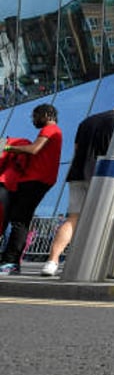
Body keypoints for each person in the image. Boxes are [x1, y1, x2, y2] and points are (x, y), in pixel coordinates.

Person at [41, 103, 114, 277]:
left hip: (78, 173)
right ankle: (107, 264)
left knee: (73, 218)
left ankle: (52, 261)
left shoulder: (87, 121)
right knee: (111, 218)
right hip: (104, 176)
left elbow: (76, 148)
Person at [0, 105, 62, 276]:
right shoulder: (52, 130)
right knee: (19, 219)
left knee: (20, 221)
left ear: (46, 115)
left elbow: (34, 149)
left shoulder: (50, 129)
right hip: (38, 180)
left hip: (35, 180)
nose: (33, 120)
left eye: (35, 116)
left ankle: (10, 262)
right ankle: (9, 261)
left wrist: (6, 147)